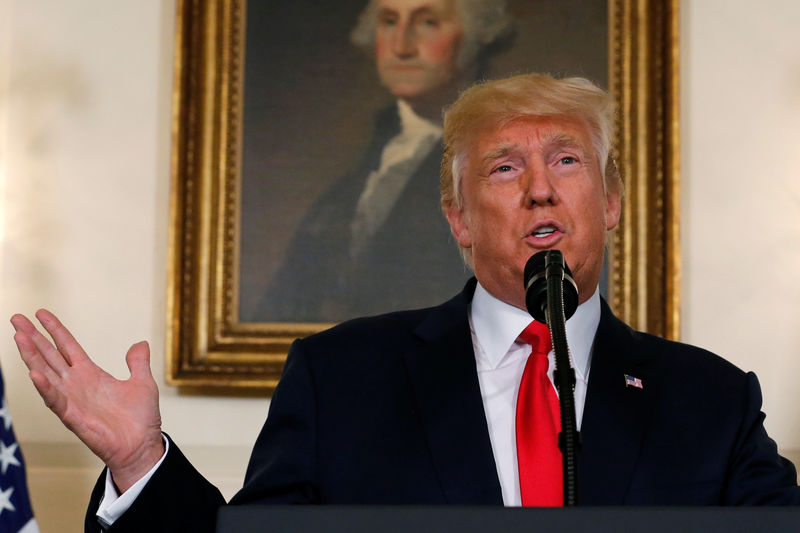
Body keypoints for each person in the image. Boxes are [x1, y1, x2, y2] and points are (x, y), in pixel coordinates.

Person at [10, 74, 800, 533]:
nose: (540, 187)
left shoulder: (712, 399)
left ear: (612, 199)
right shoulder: (343, 376)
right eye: (503, 168)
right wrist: (140, 461)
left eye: (566, 158)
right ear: (458, 218)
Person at [256, 0, 513, 322]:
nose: (401, 46)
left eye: (428, 22)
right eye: (390, 21)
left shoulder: (502, 156)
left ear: (477, 36)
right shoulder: (370, 161)